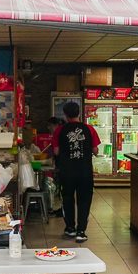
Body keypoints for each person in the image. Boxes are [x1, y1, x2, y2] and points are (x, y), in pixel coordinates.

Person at [51, 102, 100, 243]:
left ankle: (70, 228)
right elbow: (96, 151)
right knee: (84, 201)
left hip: (67, 172)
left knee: (67, 199)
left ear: (66, 115)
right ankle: (81, 231)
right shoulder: (89, 129)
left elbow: (56, 151)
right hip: (85, 172)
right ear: (79, 113)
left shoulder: (60, 130)